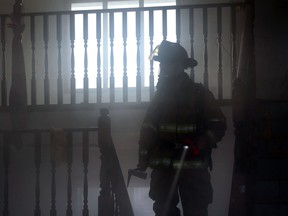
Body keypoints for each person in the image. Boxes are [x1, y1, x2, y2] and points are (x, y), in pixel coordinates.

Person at [137, 40, 227, 216]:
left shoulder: (200, 95)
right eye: (162, 64)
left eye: (166, 63)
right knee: (164, 211)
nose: (162, 67)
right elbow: (148, 129)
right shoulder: (160, 97)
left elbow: (219, 124)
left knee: (196, 210)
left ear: (179, 66)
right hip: (164, 168)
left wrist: (205, 140)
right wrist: (143, 158)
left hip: (192, 168)